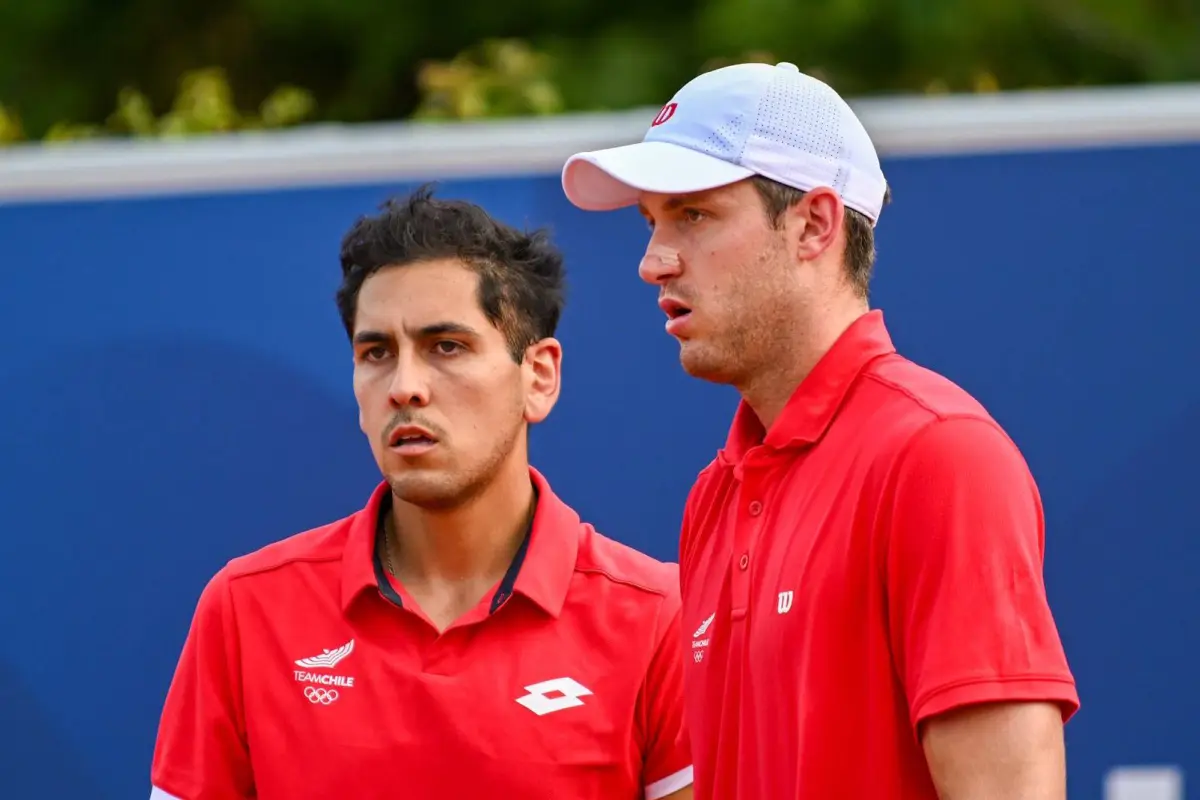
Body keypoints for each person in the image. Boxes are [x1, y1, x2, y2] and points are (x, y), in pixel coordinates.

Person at [561, 62, 1079, 799]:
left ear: (814, 224)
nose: (653, 262)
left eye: (694, 216)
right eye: (652, 223)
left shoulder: (940, 454)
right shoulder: (713, 496)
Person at [149, 185, 694, 800]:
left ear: (538, 377)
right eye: (377, 352)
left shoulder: (659, 618)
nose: (405, 386)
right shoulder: (245, 611)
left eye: (447, 347)